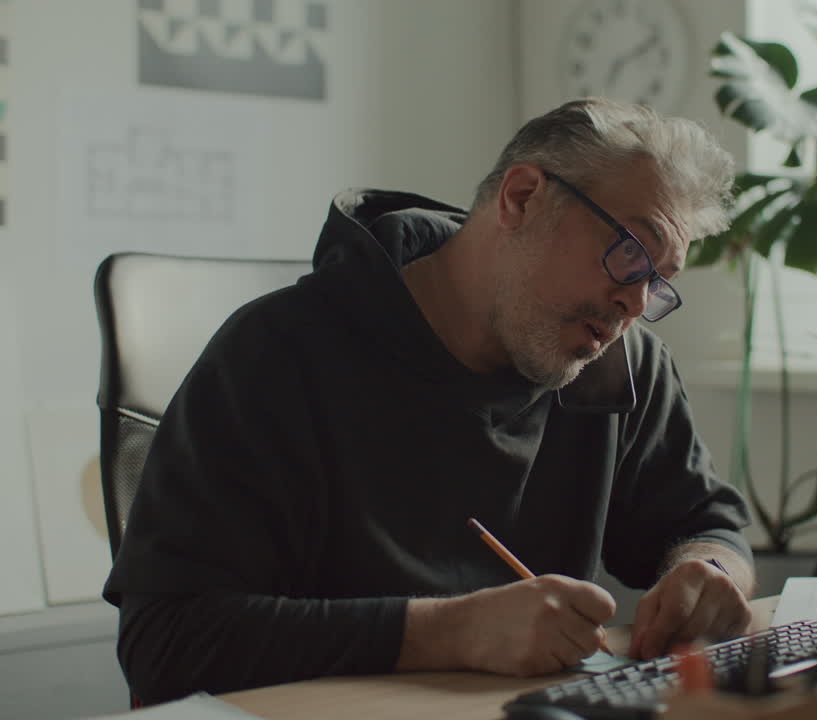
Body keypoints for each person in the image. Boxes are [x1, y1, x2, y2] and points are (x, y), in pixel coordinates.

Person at [103, 98, 755, 704]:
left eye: (658, 282)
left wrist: (709, 570)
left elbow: (703, 520)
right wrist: (450, 632)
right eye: (629, 253)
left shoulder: (618, 361)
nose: (636, 304)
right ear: (522, 198)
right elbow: (165, 643)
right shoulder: (278, 353)